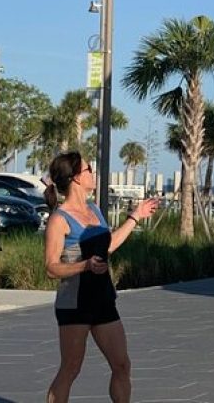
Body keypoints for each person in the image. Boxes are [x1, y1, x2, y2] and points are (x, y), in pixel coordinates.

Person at [43, 152, 158, 403]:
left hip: (103, 298)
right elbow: (51, 267)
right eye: (88, 169)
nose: (92, 172)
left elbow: (107, 245)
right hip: (75, 303)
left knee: (122, 365)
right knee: (70, 369)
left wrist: (135, 216)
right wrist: (83, 266)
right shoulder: (59, 219)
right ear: (75, 178)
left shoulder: (94, 209)